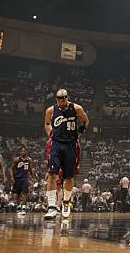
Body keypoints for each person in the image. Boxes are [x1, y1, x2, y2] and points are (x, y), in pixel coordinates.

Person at [44, 88, 89, 219]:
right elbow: (47, 124)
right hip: (56, 144)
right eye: (59, 98)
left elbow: (85, 120)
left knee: (69, 176)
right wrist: (51, 134)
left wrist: (81, 131)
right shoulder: (51, 110)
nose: (62, 101)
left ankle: (66, 203)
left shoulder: (76, 108)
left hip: (71, 144)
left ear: (67, 98)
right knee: (52, 174)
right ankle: (51, 207)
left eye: (64, 98)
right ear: (56, 99)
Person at [11, 148, 34, 215]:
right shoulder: (17, 159)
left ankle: (23, 208)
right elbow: (11, 168)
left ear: (26, 152)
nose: (22, 152)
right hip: (18, 178)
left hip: (25, 178)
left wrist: (33, 177)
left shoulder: (29, 159)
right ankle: (18, 207)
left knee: (25, 192)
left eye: (24, 151)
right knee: (18, 193)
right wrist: (12, 177)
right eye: (21, 151)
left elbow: (30, 169)